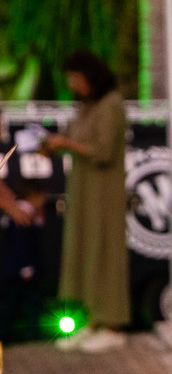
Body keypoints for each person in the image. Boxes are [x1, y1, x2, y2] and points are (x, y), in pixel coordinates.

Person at [43, 50, 130, 353]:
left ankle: (113, 326)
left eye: (76, 78)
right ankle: (91, 322)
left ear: (91, 76)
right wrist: (52, 145)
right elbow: (74, 139)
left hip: (104, 195)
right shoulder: (85, 108)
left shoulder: (112, 105)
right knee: (84, 253)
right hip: (83, 194)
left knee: (106, 254)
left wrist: (67, 143)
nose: (73, 85)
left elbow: (103, 151)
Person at [0, 177, 48, 342]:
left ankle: (28, 332)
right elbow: (19, 244)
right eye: (41, 197)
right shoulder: (20, 215)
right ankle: (7, 334)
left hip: (18, 270)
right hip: (18, 270)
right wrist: (25, 267)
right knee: (13, 304)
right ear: (34, 195)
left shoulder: (26, 214)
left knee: (25, 302)